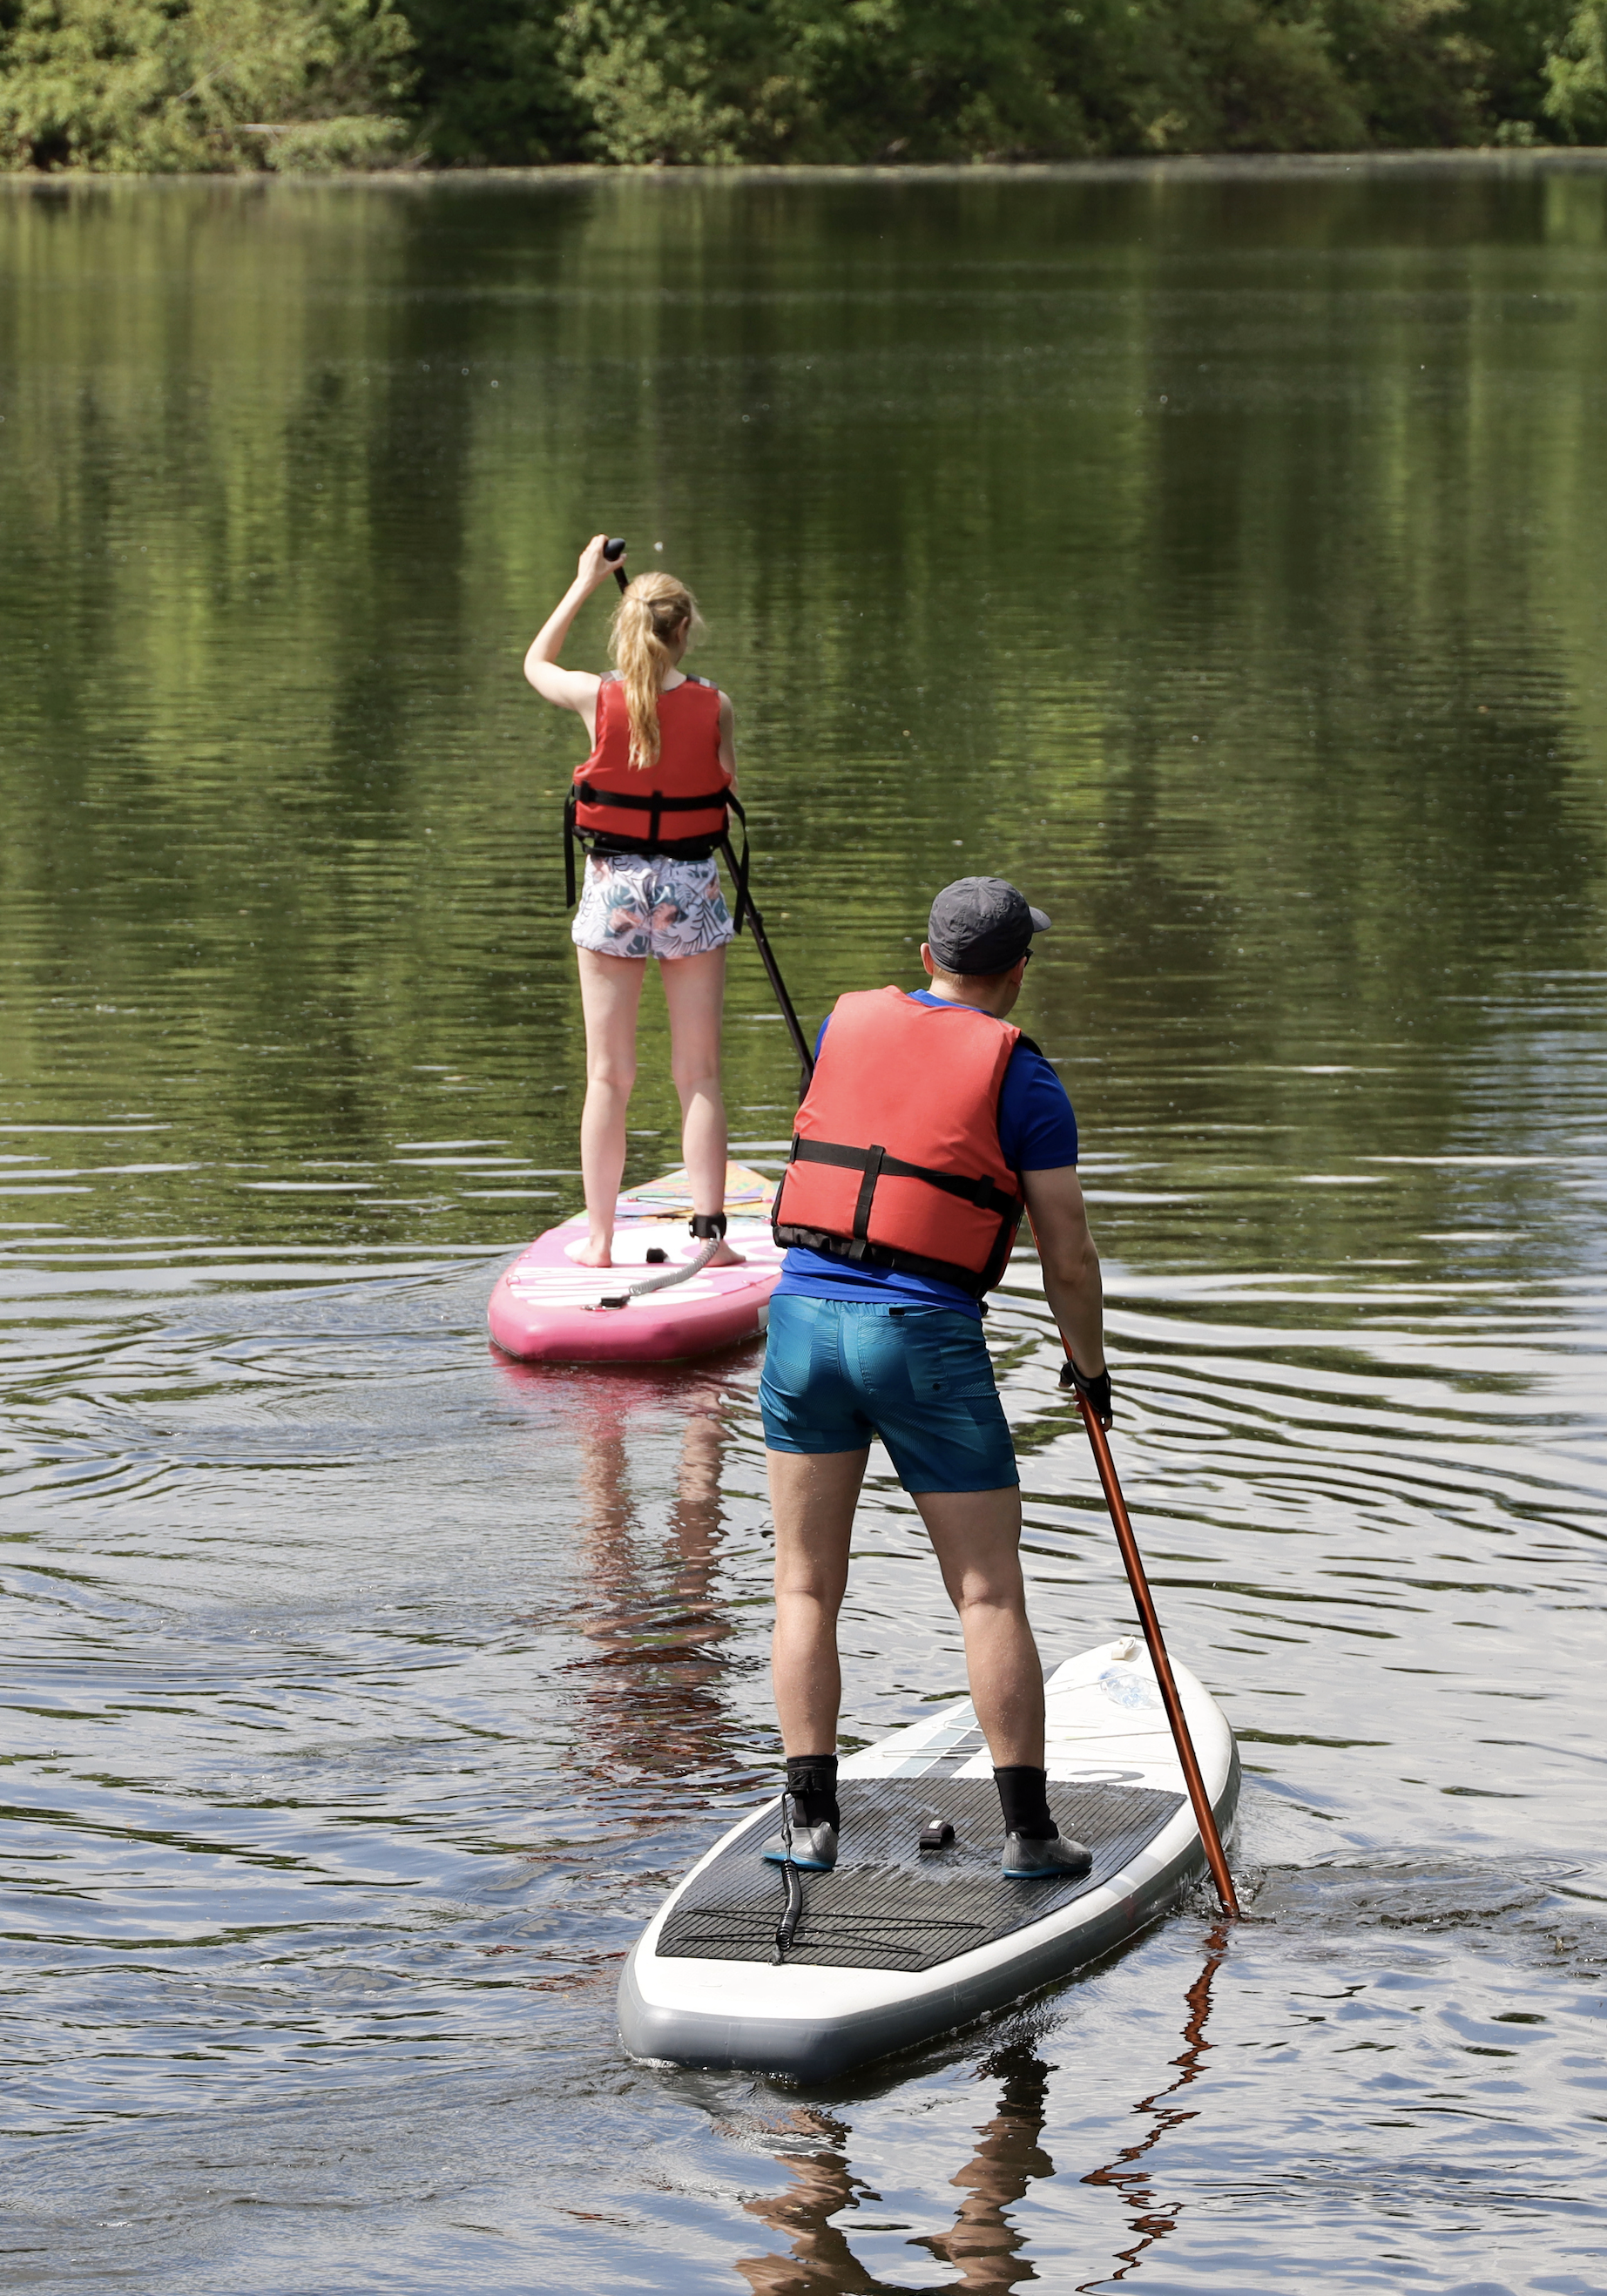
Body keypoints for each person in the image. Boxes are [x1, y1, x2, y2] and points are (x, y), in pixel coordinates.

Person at [760, 877, 1112, 1879]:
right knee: (989, 1592)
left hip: (800, 1327)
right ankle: (1031, 1835)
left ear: (926, 958)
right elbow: (1068, 1252)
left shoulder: (844, 1025)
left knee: (804, 1585)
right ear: (1019, 972)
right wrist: (1088, 1368)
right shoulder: (1025, 1077)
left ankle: (810, 1823)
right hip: (922, 1339)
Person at [523, 536, 743, 1270]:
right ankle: (711, 1243)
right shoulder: (716, 705)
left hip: (613, 887)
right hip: (689, 887)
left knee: (608, 1076)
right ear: (684, 631)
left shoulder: (596, 697)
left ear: (625, 631)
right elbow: (725, 795)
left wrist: (583, 580)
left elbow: (533, 664)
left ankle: (599, 1242)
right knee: (699, 1074)